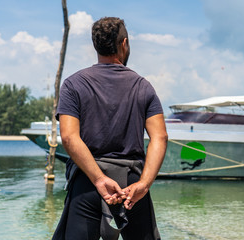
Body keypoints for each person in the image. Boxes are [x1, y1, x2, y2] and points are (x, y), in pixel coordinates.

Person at [52, 17, 168, 240]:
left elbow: (68, 137)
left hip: (88, 182)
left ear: (96, 46)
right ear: (124, 44)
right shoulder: (142, 86)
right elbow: (160, 137)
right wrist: (144, 184)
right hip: (132, 186)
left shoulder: (74, 83)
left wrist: (98, 179)